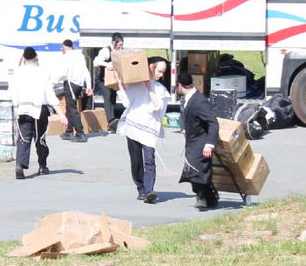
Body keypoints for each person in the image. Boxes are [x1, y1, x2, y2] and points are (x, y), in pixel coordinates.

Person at [107, 56, 173, 203]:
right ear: (151, 68)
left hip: (149, 129)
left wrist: (149, 87)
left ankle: (149, 191)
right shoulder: (135, 85)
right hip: (133, 127)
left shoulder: (160, 90)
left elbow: (156, 107)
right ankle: (141, 188)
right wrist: (119, 80)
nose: (161, 75)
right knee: (136, 161)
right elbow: (126, 102)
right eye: (160, 71)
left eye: (163, 72)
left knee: (149, 160)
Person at [10, 47, 66, 179]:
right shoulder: (43, 73)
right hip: (40, 109)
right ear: (36, 58)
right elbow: (50, 95)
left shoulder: (16, 73)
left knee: (23, 139)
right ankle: (42, 165)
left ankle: (20, 165)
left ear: (23, 58)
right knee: (40, 139)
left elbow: (11, 93)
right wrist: (61, 114)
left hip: (22, 110)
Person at [175, 70, 220, 210]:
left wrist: (209, 144)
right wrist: (185, 128)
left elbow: (213, 122)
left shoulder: (199, 101)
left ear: (180, 85)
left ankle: (201, 198)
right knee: (192, 169)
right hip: (192, 140)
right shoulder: (187, 99)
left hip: (201, 141)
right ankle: (210, 198)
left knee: (197, 170)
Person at [53, 39, 91, 142]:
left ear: (65, 47)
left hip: (70, 84)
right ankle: (69, 132)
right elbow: (86, 71)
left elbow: (63, 72)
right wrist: (89, 85)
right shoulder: (80, 56)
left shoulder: (66, 57)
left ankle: (80, 133)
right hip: (79, 85)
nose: (62, 49)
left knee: (72, 109)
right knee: (70, 108)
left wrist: (54, 81)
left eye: (62, 47)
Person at [91, 33, 125, 123]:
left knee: (113, 96)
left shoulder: (120, 51)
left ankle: (113, 116)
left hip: (113, 78)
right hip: (102, 78)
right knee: (108, 96)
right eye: (119, 45)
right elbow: (96, 62)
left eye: (122, 45)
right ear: (114, 42)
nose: (120, 47)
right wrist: (107, 64)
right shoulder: (106, 50)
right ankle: (110, 120)